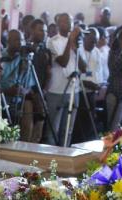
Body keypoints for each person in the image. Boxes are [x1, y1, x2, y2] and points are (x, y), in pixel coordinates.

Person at [44, 13, 82, 145]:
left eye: (70, 21)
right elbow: (63, 62)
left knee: (68, 130)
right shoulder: (52, 41)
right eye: (65, 22)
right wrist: (69, 42)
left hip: (73, 90)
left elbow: (83, 66)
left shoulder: (76, 42)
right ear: (58, 24)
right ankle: (51, 159)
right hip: (56, 90)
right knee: (53, 129)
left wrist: (76, 47)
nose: (69, 24)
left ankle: (64, 157)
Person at [0, 29, 43, 142]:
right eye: (16, 40)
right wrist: (7, 91)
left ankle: (26, 143)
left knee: (32, 105)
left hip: (19, 99)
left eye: (22, 39)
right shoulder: (0, 57)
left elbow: (30, 85)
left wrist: (24, 91)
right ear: (8, 41)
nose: (20, 42)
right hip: (2, 98)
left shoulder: (24, 58)